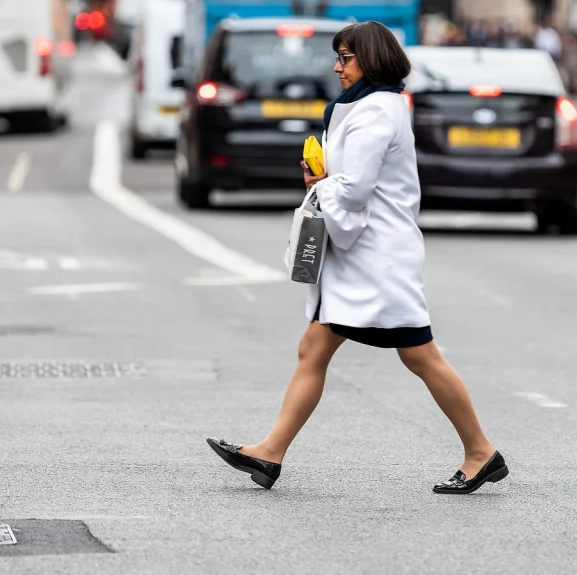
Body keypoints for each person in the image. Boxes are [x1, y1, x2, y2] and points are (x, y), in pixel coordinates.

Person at [206, 21, 508, 495]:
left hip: (380, 260)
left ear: (371, 59)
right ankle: (270, 453)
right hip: (364, 256)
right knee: (316, 346)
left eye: (345, 57)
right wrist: (325, 179)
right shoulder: (366, 106)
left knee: (420, 355)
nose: (336, 66)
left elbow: (357, 187)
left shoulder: (376, 113)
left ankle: (480, 451)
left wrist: (319, 182)